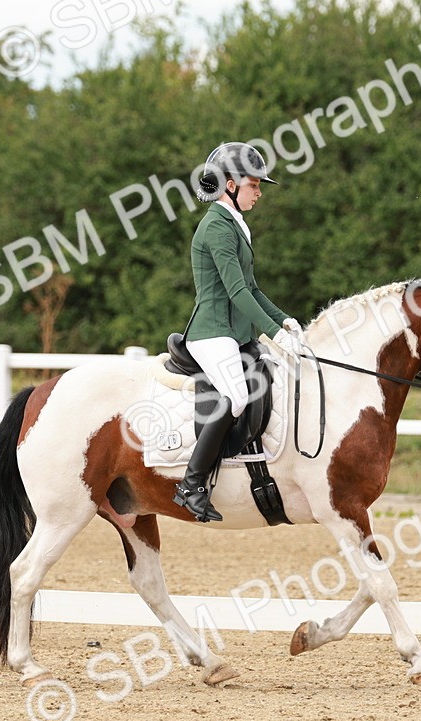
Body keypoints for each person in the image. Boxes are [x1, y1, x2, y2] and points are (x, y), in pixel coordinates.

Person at [173, 142, 302, 523]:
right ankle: (192, 485)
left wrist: (285, 322)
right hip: (213, 331)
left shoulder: (235, 224)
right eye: (254, 185)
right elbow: (236, 293)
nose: (260, 192)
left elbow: (254, 288)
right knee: (237, 396)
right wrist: (272, 335)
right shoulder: (215, 227)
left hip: (235, 332)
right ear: (229, 185)